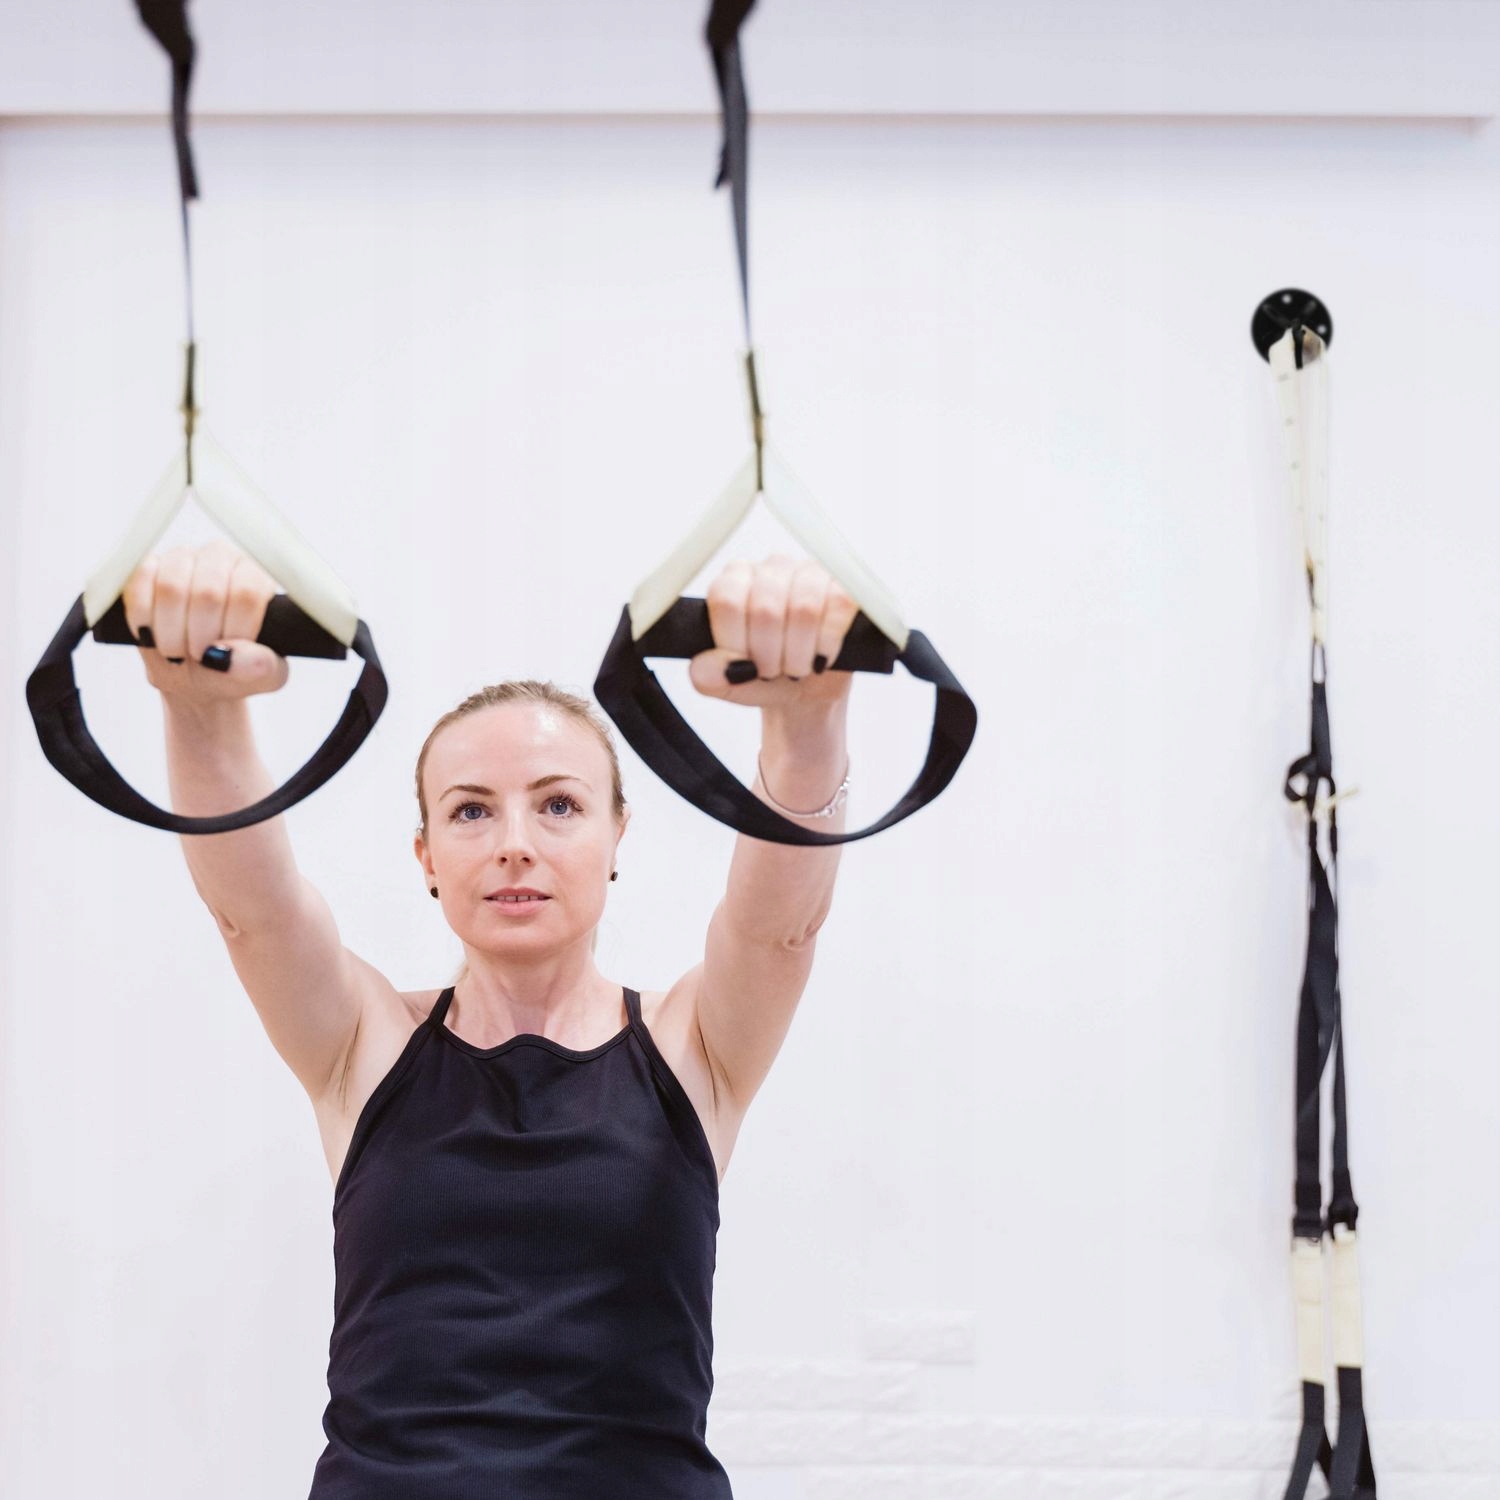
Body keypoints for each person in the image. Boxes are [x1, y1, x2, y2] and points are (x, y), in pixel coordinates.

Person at [122, 537, 859, 1498]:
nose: (515, 844)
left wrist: (806, 726)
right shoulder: (362, 1042)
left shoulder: (693, 1047)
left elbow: (779, 929)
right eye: (471, 812)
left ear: (616, 837)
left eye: (559, 806)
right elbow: (251, 911)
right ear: (427, 855)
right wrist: (200, 710)